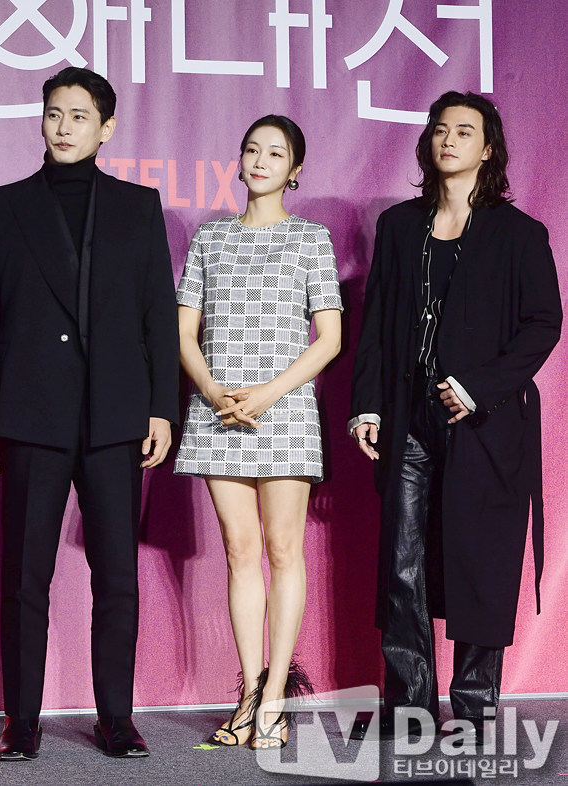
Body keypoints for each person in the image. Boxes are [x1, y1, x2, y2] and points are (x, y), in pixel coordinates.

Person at [0, 67, 179, 760]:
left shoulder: (139, 207)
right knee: (25, 578)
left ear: (106, 128)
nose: (64, 126)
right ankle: (21, 720)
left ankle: (117, 718)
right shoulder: (1, 208)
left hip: (115, 416)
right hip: (29, 414)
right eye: (54, 113)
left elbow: (158, 315)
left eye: (80, 116)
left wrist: (162, 408)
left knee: (118, 578)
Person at [349, 92, 562, 743]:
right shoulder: (399, 226)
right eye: (441, 129)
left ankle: (473, 707)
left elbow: (543, 324)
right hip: (407, 416)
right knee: (402, 563)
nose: (448, 139)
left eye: (464, 132)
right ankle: (408, 705)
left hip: (483, 423)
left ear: (488, 149)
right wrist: (367, 403)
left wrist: (478, 388)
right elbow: (376, 323)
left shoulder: (519, 233)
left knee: (480, 561)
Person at [174, 115, 342, 748]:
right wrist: (216, 393)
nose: (261, 160)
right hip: (219, 413)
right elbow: (184, 333)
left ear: (295, 170)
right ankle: (248, 692)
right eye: (252, 149)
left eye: (276, 153)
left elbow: (329, 338)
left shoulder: (311, 239)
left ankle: (275, 697)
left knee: (282, 550)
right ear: (239, 161)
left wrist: (269, 393)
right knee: (239, 552)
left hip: (286, 412)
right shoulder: (210, 238)